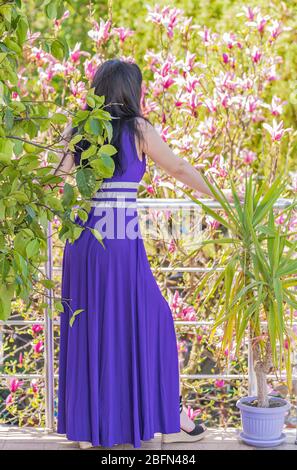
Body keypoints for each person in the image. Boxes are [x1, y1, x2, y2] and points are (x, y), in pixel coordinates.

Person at [54, 58, 226, 449]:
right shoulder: (138, 128)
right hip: (119, 241)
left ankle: (89, 429)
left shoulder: (80, 127)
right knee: (156, 320)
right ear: (132, 91)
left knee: (91, 323)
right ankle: (169, 417)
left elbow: (59, 182)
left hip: (82, 239)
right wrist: (219, 196)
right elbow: (179, 168)